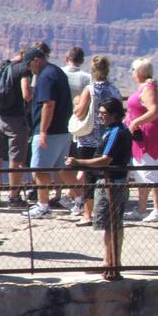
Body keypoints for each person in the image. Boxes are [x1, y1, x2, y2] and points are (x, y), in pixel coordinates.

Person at [66, 97, 132, 281]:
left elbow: (105, 160)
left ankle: (112, 264)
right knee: (114, 225)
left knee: (111, 225)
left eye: (104, 114)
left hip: (110, 184)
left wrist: (79, 162)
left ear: (114, 115)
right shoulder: (117, 130)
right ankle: (110, 262)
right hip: (117, 182)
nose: (101, 117)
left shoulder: (116, 132)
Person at [22, 46, 72, 219]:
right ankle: (80, 199)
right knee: (62, 168)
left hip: (48, 132)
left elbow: (48, 104)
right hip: (63, 130)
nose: (29, 69)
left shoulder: (45, 76)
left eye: (29, 65)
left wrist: (42, 131)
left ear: (36, 60)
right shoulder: (57, 72)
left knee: (40, 170)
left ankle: (43, 206)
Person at [72, 55, 122, 226]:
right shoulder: (115, 90)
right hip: (108, 137)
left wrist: (76, 102)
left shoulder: (90, 89)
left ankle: (87, 214)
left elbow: (79, 113)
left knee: (89, 178)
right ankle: (108, 209)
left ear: (93, 70)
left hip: (89, 139)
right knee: (106, 175)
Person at [125, 58, 158, 222]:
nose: (131, 72)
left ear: (139, 72)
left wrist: (135, 122)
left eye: (133, 69)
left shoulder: (149, 88)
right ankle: (141, 209)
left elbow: (154, 111)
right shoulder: (143, 87)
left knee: (150, 173)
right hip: (139, 136)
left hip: (148, 136)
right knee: (140, 174)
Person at [0, 49, 31, 208]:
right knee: (16, 158)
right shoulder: (22, 69)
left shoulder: (1, 66)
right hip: (16, 119)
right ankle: (14, 196)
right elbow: (26, 94)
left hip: (0, 117)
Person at [62, 46, 92, 214]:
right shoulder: (87, 78)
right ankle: (74, 196)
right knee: (79, 162)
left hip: (60, 124)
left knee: (62, 162)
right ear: (81, 60)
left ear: (67, 58)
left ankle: (68, 195)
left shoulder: (59, 74)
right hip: (81, 126)